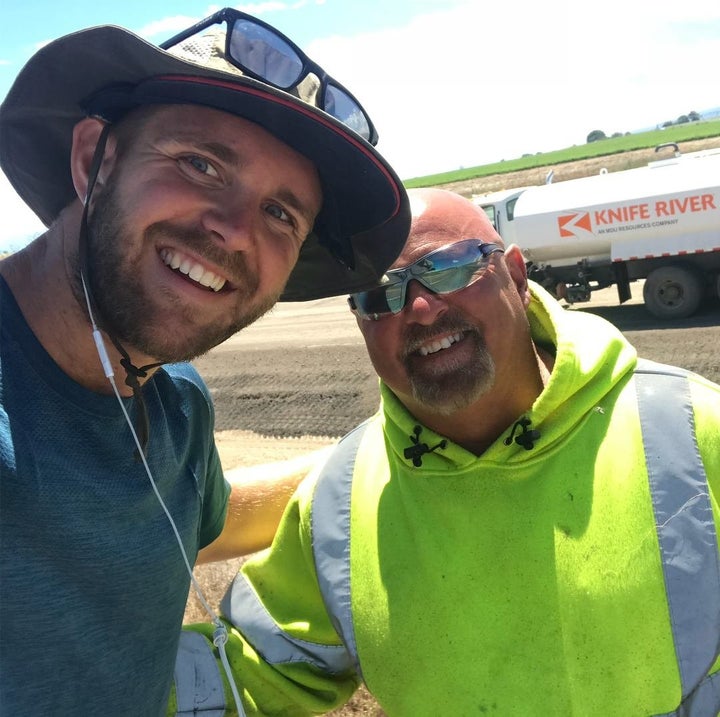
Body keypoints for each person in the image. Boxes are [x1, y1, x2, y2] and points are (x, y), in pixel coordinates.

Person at [0, 8, 410, 715]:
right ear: (91, 159)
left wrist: (383, 455)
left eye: (283, 214)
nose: (234, 230)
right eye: (200, 163)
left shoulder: (176, 403)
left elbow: (205, 522)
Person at [175, 188, 720, 716]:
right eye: (379, 293)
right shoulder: (339, 501)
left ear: (516, 276)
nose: (419, 308)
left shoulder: (692, 432)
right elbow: (254, 668)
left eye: (450, 267)